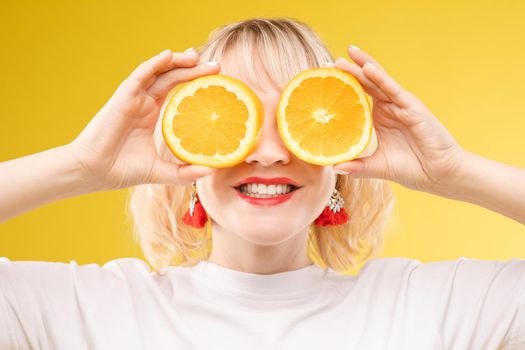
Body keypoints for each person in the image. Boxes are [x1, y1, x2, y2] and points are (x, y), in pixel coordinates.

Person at [1, 17, 524, 349]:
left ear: (340, 153)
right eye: (237, 121)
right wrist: (81, 163)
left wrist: (453, 171)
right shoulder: (88, 310)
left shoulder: (433, 307)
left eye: (298, 123)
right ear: (188, 149)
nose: (270, 153)